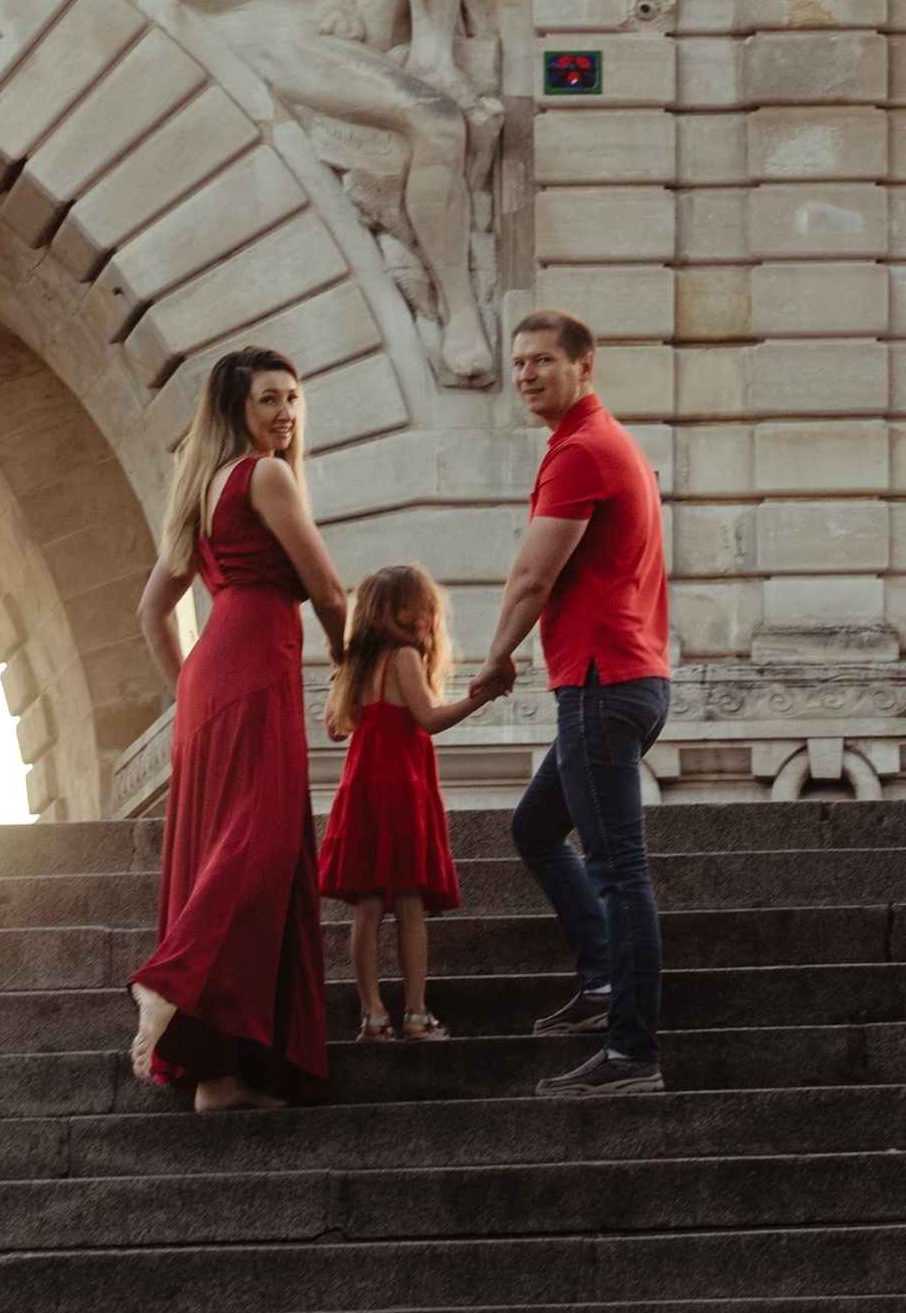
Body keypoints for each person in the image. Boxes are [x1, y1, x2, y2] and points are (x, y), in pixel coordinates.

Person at [129, 343, 346, 1114]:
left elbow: (154, 610)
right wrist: (352, 678)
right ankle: (173, 978)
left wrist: (190, 687)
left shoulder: (200, 490)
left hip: (214, 676)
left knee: (252, 848)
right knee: (263, 840)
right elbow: (325, 589)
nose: (286, 414)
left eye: (293, 397)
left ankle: (221, 1078)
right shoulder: (266, 475)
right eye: (268, 401)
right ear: (237, 411)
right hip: (256, 666)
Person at [478, 309, 671, 1097]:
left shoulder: (582, 453)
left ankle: (632, 1054)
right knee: (535, 829)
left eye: (544, 362)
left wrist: (495, 659)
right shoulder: (602, 444)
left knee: (621, 872)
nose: (526, 374)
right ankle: (600, 985)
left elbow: (532, 577)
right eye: (519, 362)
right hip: (628, 677)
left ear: (585, 368)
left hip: (599, 684)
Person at [319, 561, 501, 1038]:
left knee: (366, 904)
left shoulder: (356, 665)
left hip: (362, 786)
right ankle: (417, 1012)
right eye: (416, 610)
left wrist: (339, 673)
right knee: (408, 901)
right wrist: (480, 697)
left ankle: (373, 1012)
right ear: (393, 613)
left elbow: (336, 730)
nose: (425, 620)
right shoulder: (404, 658)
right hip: (401, 785)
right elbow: (428, 719)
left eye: (426, 611)